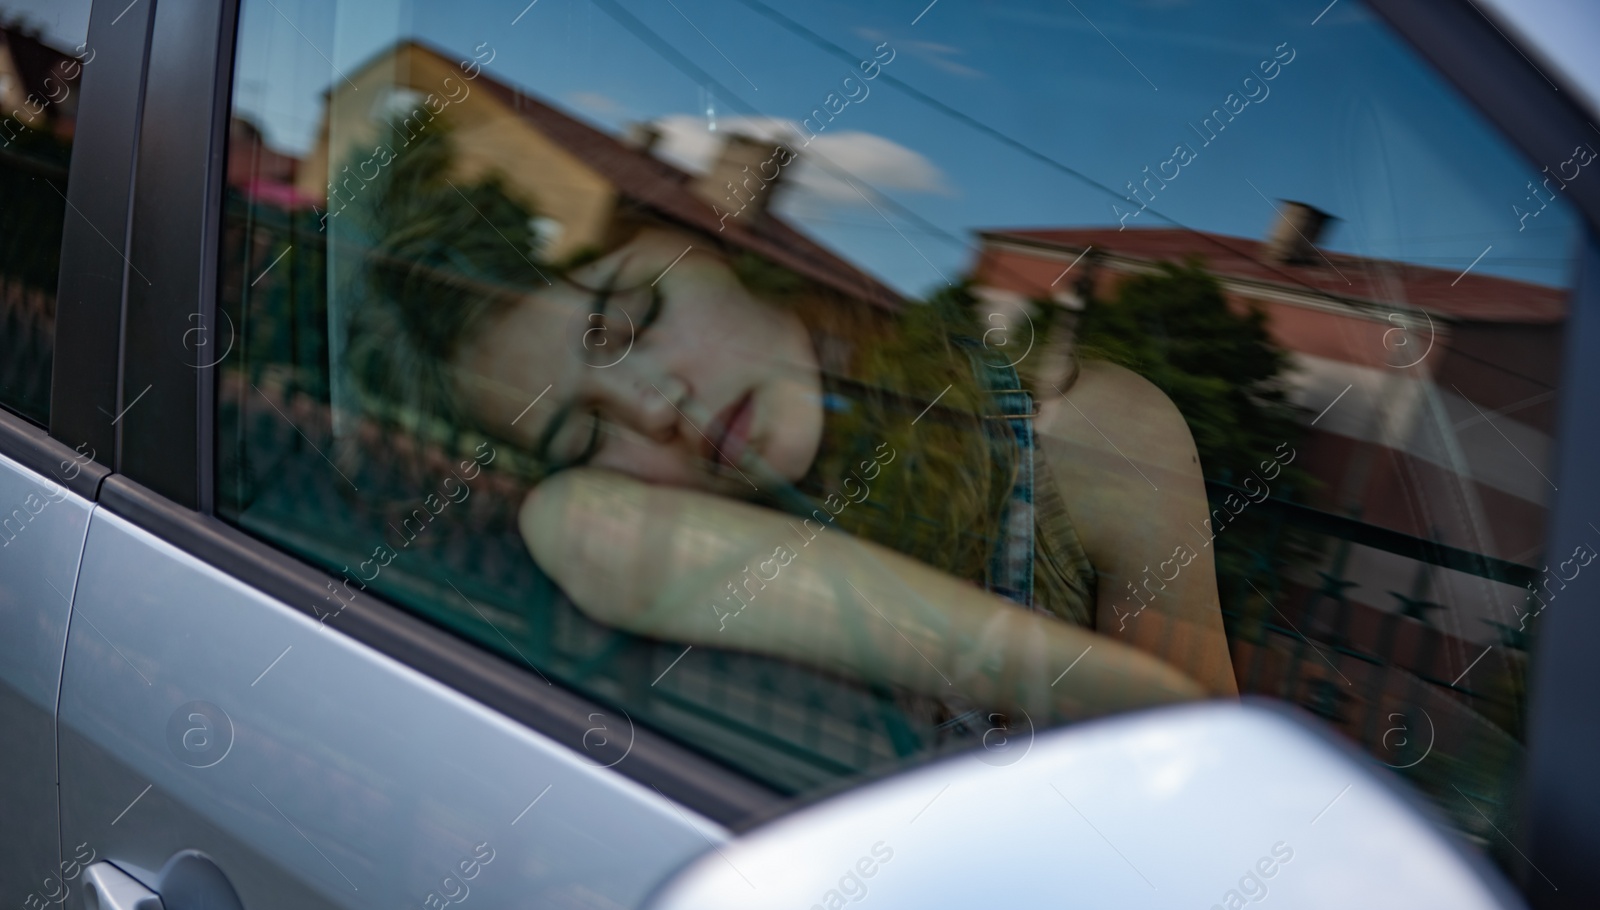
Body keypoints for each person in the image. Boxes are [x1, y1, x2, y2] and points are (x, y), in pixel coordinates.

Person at [342, 125, 1238, 737]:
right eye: (584, 438)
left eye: (630, 323)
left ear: (718, 258)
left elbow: (1208, 775)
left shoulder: (1096, 433)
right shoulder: (648, 540)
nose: (655, 407)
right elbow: (579, 529)